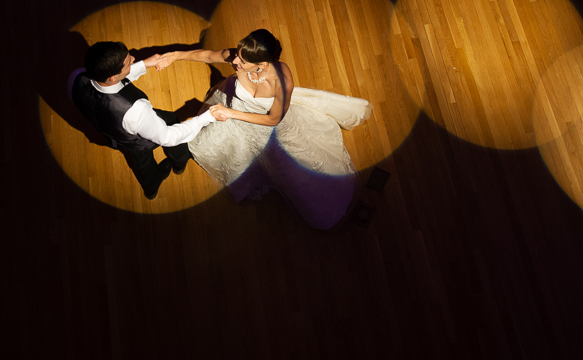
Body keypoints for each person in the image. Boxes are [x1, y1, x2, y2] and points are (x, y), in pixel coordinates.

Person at [162, 30, 372, 229]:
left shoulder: (281, 80)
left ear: (262, 64)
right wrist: (175, 56)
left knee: (287, 167)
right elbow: (208, 55)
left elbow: (273, 119)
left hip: (269, 128)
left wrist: (232, 114)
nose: (235, 61)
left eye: (242, 62)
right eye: (237, 56)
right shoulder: (241, 57)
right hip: (234, 110)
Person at [71, 42, 216, 200]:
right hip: (138, 135)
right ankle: (180, 162)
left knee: (142, 164)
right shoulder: (136, 110)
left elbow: (115, 82)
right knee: (172, 121)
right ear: (112, 77)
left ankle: (151, 189)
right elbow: (167, 137)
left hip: (115, 135)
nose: (133, 58)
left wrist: (145, 64)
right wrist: (207, 117)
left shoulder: (77, 78)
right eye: (128, 62)